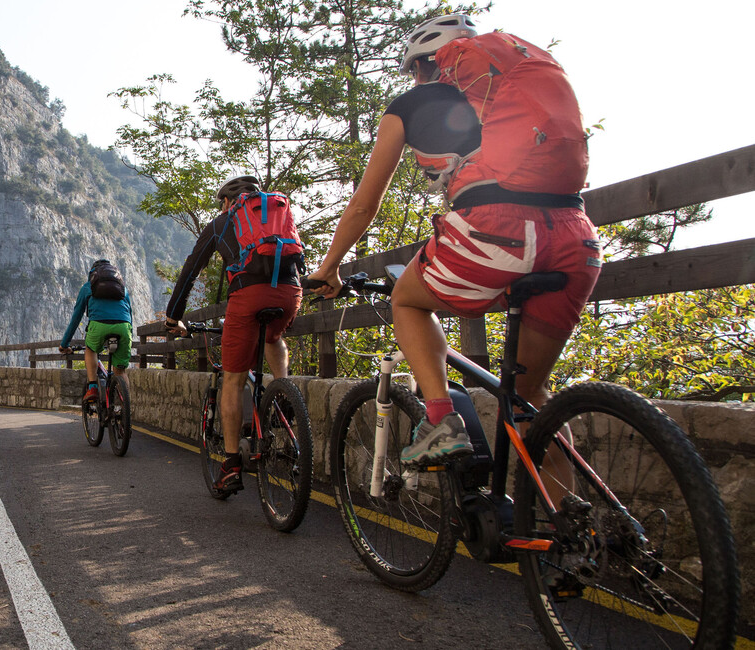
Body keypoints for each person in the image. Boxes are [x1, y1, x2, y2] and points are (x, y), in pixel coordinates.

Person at [306, 14, 601, 466]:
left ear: (423, 66)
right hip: (575, 236)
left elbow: (364, 206)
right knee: (530, 399)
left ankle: (442, 421)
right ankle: (576, 531)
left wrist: (329, 267)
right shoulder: (517, 91)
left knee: (407, 299)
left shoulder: (412, 103)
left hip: (493, 231)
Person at [165, 176, 304, 494]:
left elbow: (191, 269)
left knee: (233, 379)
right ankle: (283, 393)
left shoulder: (222, 222)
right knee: (272, 337)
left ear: (227, 201)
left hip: (248, 297)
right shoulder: (276, 213)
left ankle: (230, 467)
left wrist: (174, 315)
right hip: (289, 293)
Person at [59, 259, 134, 403]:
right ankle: (125, 409)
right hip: (124, 327)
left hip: (99, 325)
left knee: (91, 349)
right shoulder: (123, 288)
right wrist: (128, 335)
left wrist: (65, 343)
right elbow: (129, 315)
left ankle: (92, 386)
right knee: (120, 371)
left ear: (93, 274)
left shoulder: (88, 287)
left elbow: (76, 317)